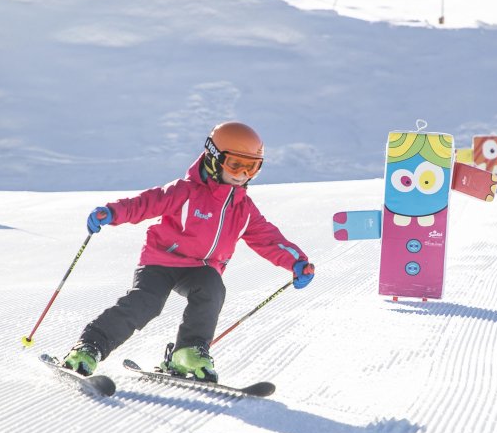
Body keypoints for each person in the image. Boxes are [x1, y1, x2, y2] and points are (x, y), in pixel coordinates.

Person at [61, 121, 315, 383]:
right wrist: (113, 212)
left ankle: (188, 353)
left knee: (212, 289)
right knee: (146, 302)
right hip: (161, 261)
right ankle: (89, 347)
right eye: (235, 164)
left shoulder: (243, 209)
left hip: (201, 268)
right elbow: (145, 203)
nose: (242, 174)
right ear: (214, 158)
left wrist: (296, 261)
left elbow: (269, 239)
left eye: (252, 167)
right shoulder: (184, 191)